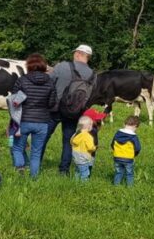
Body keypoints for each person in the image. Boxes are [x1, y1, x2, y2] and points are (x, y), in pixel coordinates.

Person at [45, 44, 95, 175]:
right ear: (87, 57)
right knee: (68, 141)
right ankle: (64, 170)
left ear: (78, 54)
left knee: (43, 137)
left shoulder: (62, 66)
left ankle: (35, 164)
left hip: (55, 109)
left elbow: (48, 82)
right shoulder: (92, 75)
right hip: (74, 112)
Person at [12, 53, 57, 178]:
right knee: (36, 153)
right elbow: (52, 103)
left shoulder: (22, 80)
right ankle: (34, 178)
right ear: (44, 66)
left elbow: (14, 101)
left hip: (23, 120)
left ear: (29, 66)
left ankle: (20, 169)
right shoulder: (50, 82)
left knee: (17, 148)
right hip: (42, 122)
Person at [111, 116, 142, 186]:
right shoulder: (133, 137)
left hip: (117, 157)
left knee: (118, 172)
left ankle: (116, 185)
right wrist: (134, 154)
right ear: (135, 126)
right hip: (128, 158)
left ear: (125, 124)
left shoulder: (117, 134)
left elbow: (112, 144)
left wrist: (116, 151)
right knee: (129, 173)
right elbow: (138, 148)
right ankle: (130, 187)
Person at [70, 116, 96, 180]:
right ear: (89, 126)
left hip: (76, 158)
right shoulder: (88, 136)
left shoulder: (76, 134)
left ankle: (76, 183)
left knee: (77, 171)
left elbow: (71, 142)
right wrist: (94, 147)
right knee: (85, 173)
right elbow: (90, 148)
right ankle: (83, 186)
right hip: (84, 158)